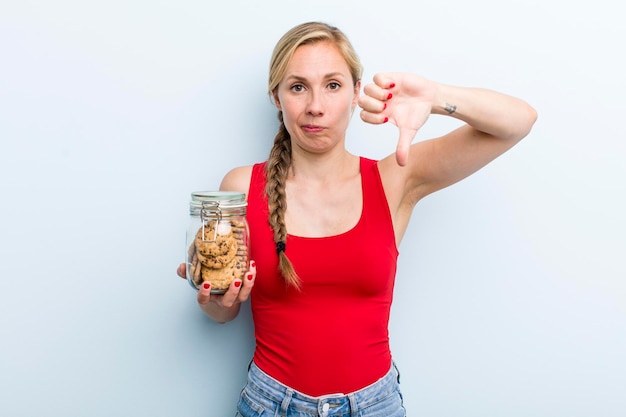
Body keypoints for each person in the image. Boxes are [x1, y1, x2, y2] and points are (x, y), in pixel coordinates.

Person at [177, 21, 537, 417]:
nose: (316, 105)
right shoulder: (243, 186)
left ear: (354, 93)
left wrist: (435, 97)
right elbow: (223, 310)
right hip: (269, 404)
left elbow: (518, 122)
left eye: (333, 85)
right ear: (276, 97)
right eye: (298, 87)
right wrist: (214, 300)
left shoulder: (394, 177)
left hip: (375, 406)